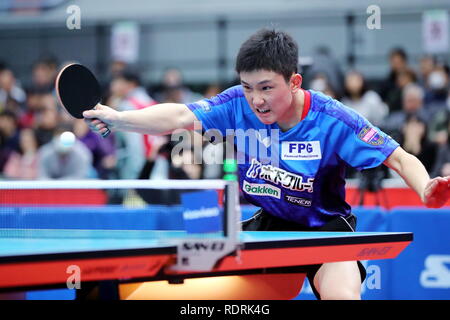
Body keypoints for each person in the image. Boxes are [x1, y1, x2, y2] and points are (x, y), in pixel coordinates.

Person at [83, 29, 450, 300]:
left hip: (325, 228)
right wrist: (119, 118)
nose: (255, 100)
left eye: (265, 87)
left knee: (343, 297)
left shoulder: (332, 118)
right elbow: (178, 114)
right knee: (199, 296)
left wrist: (424, 187)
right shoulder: (235, 105)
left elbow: (398, 157)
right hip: (268, 227)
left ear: (294, 82)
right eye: (247, 87)